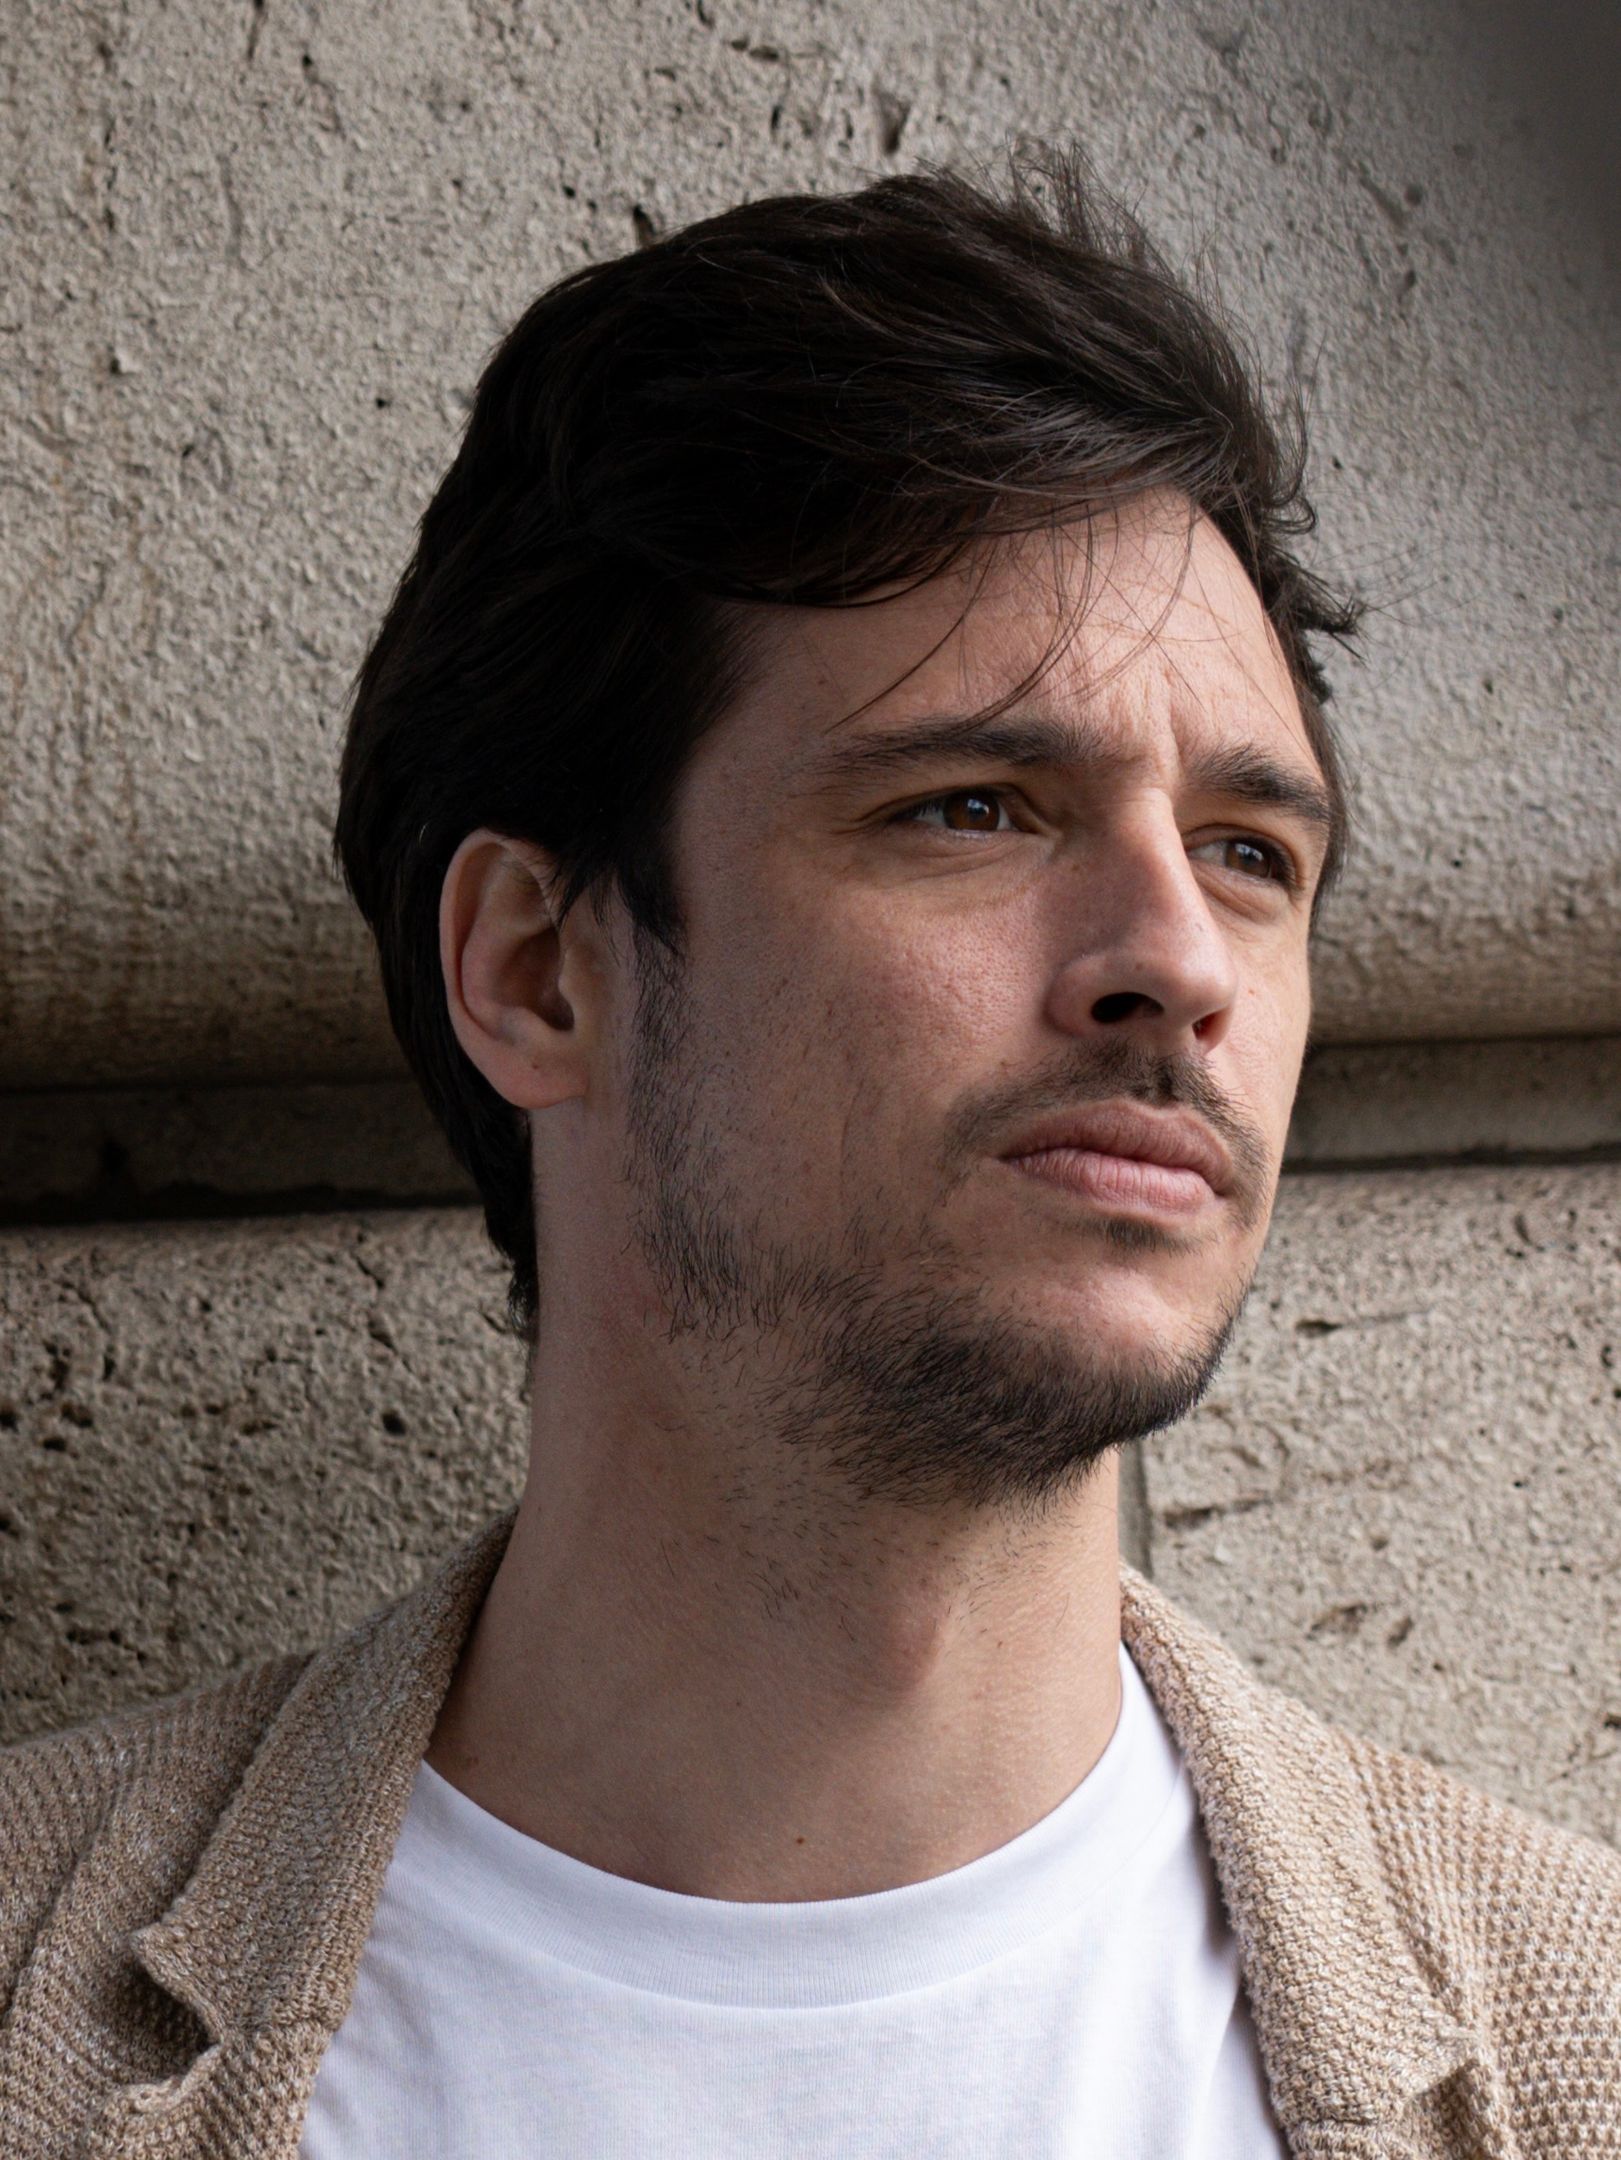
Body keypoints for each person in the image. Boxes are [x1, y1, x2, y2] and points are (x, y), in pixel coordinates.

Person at [2, 146, 1616, 2160]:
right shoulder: (29, 1992)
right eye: (972, 809)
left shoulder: (1571, 2042)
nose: (1179, 962)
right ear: (536, 969)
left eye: (1245, 851)